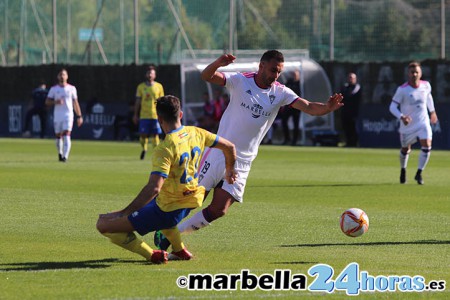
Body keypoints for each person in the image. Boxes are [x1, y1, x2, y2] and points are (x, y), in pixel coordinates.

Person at [154, 50, 343, 250]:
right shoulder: (240, 81)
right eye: (272, 70)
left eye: (279, 72)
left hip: (243, 162)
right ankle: (163, 226)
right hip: (218, 153)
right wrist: (218, 63)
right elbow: (206, 76)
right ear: (261, 66)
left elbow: (309, 107)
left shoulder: (281, 92)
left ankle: (171, 235)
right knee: (191, 199)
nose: (275, 75)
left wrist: (327, 108)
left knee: (219, 209)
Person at [96, 95, 237, 263]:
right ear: (181, 115)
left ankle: (153, 255)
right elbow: (230, 146)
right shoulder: (196, 132)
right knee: (159, 208)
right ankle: (179, 251)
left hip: (167, 209)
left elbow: (154, 188)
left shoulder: (165, 148)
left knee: (103, 224)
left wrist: (124, 213)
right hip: (192, 199)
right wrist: (230, 169)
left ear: (159, 118)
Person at [389, 61, 438, 185]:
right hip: (408, 125)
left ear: (420, 73)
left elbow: (429, 98)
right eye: (412, 72)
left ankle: (419, 173)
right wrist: (402, 117)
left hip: (423, 122)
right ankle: (403, 169)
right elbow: (392, 107)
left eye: (417, 72)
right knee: (405, 149)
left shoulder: (426, 85)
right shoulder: (402, 90)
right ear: (408, 74)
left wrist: (432, 112)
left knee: (427, 144)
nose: (414, 74)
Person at [45, 69, 83, 162]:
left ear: (67, 76)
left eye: (64, 74)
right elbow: (47, 102)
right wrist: (55, 102)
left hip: (68, 115)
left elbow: (75, 103)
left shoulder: (72, 88)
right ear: (58, 77)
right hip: (58, 115)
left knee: (67, 134)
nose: (62, 76)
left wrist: (79, 116)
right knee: (58, 136)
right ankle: (60, 153)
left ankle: (65, 157)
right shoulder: (54, 89)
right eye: (61, 75)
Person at [133, 65, 165, 160]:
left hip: (155, 115)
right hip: (144, 115)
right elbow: (138, 101)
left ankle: (156, 153)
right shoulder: (141, 87)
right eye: (148, 73)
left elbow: (161, 101)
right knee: (143, 135)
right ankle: (144, 148)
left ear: (155, 75)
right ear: (146, 75)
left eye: (152, 73)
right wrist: (135, 115)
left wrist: (162, 113)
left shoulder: (159, 86)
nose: (150, 75)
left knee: (155, 134)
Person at [340, 72, 362, 147]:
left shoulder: (357, 87)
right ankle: (348, 142)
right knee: (346, 128)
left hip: (354, 113)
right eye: (349, 78)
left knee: (354, 128)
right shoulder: (345, 87)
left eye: (352, 78)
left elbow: (351, 95)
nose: (350, 79)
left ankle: (355, 143)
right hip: (345, 112)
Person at [281, 70, 301, 145]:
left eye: (296, 75)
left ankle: (294, 141)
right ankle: (287, 138)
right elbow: (284, 91)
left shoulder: (300, 84)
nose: (294, 76)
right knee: (284, 121)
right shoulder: (289, 82)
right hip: (288, 106)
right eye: (293, 74)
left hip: (297, 108)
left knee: (296, 124)